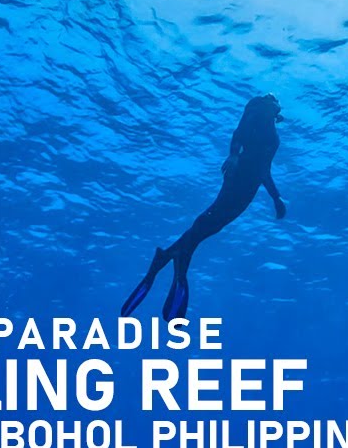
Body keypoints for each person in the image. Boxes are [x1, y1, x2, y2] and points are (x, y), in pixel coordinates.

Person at [122, 94, 287, 321]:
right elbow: (238, 133)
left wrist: (276, 197)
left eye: (275, 101)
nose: (275, 101)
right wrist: (233, 156)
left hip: (250, 185)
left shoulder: (271, 130)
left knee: (214, 224)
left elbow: (265, 169)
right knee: (212, 218)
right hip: (239, 177)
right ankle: (174, 257)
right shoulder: (257, 112)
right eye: (272, 99)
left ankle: (171, 255)